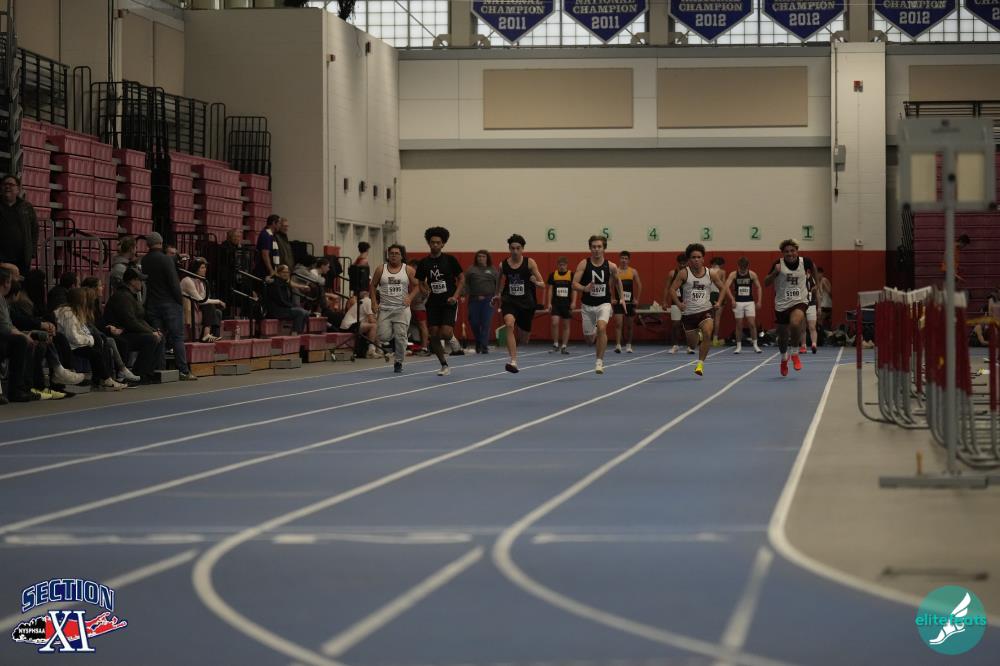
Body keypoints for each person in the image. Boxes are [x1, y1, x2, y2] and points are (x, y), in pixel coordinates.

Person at [140, 232, 196, 381]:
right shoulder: (165, 260)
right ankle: (183, 371)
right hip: (169, 303)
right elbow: (173, 283)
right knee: (177, 337)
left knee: (159, 337)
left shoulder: (144, 260)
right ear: (161, 242)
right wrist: (179, 301)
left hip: (152, 303)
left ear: (148, 244)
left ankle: (159, 370)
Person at [669, 243, 726, 377]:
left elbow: (723, 288)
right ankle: (698, 336)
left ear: (703, 259)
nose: (696, 259)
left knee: (707, 332)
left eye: (699, 257)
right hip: (689, 314)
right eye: (693, 257)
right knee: (692, 345)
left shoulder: (710, 273)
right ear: (689, 259)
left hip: (705, 310)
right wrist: (678, 303)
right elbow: (672, 289)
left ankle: (700, 364)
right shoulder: (684, 273)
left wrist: (719, 302)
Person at [414, 227, 464, 376]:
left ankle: (452, 340)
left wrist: (455, 296)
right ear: (429, 243)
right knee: (434, 334)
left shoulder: (450, 260)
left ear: (443, 244)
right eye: (432, 242)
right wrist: (424, 291)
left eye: (438, 242)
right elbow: (420, 281)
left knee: (446, 333)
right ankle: (444, 365)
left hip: (449, 301)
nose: (435, 245)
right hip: (433, 303)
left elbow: (462, 279)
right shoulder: (424, 262)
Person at [54, 288, 127, 391]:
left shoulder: (75, 312)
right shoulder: (68, 314)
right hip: (70, 346)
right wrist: (89, 340)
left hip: (76, 343)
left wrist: (90, 339)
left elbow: (82, 332)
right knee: (95, 352)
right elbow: (73, 336)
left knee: (98, 343)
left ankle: (101, 379)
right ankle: (105, 379)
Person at [493, 234, 545, 373]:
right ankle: (513, 361)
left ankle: (521, 340)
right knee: (509, 324)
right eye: (512, 248)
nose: (515, 251)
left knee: (524, 339)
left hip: (526, 303)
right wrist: (497, 294)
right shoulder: (503, 265)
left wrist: (535, 282)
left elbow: (543, 284)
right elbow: (498, 280)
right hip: (509, 300)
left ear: (522, 249)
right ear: (509, 249)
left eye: (518, 248)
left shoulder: (530, 263)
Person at [572, 235, 623, 375]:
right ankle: (593, 332)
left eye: (599, 246)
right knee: (589, 340)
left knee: (602, 327)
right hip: (587, 306)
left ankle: (599, 361)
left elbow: (617, 281)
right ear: (590, 248)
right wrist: (585, 288)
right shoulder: (584, 264)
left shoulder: (611, 266)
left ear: (604, 248)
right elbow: (574, 284)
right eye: (594, 247)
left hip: (604, 303)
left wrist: (622, 298)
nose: (596, 249)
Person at [765, 239, 815, 377]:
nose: (790, 253)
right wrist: (774, 273)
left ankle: (794, 352)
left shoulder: (805, 262)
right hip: (782, 304)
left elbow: (814, 270)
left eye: (792, 251)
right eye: (786, 251)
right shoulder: (778, 264)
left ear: (797, 251)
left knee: (795, 323)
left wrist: (816, 285)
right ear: (783, 253)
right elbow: (766, 283)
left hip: (800, 300)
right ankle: (783, 359)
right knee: (782, 337)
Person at [105, 268, 164, 384]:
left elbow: (139, 320)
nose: (142, 283)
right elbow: (130, 321)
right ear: (132, 281)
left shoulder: (130, 296)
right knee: (150, 339)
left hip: (128, 332)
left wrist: (154, 331)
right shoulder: (123, 297)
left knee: (159, 337)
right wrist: (150, 333)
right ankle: (139, 373)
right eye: (140, 280)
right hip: (120, 335)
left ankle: (147, 373)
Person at [370, 244, 418, 373]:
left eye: (397, 253)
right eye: (391, 253)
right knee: (383, 336)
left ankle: (398, 361)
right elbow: (373, 285)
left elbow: (418, 285)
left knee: (401, 337)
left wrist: (410, 297)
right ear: (388, 255)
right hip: (385, 309)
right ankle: (395, 333)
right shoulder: (381, 269)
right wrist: (374, 302)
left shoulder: (408, 269)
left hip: (402, 309)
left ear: (402, 256)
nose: (394, 256)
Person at [0, 267, 42, 403]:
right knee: (20, 342)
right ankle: (16, 390)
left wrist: (25, 335)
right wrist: (23, 336)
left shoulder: (2, 300)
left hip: (4, 336)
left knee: (26, 341)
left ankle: (24, 387)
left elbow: (9, 324)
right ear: (6, 283)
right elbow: (5, 327)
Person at [0, 174, 40, 277]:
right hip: (2, 258)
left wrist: (32, 252)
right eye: (4, 184)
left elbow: (34, 230)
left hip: (22, 258)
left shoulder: (26, 207)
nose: (7, 186)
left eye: (11, 184)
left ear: (18, 189)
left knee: (21, 284)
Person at [720, 257, 762, 354]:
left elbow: (759, 287)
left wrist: (759, 301)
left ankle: (755, 345)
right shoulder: (733, 274)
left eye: (744, 268)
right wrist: (732, 299)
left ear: (747, 266)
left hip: (749, 302)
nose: (742, 270)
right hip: (738, 302)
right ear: (738, 266)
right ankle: (738, 346)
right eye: (741, 268)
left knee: (752, 324)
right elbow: (726, 287)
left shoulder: (752, 274)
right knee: (739, 325)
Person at [182, 258, 225, 343]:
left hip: (197, 305)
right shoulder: (187, 280)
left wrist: (217, 302)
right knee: (209, 305)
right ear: (195, 269)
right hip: (188, 306)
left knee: (218, 312)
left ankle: (212, 337)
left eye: (205, 267)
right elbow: (200, 300)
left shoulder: (200, 281)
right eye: (202, 267)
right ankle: (206, 334)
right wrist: (218, 301)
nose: (205, 270)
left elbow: (204, 298)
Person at [464, 250, 499, 354]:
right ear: (476, 258)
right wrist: (463, 294)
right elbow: (465, 283)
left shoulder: (492, 270)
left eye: (483, 256)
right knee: (474, 322)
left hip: (488, 300)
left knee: (485, 323)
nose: (481, 258)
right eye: (479, 256)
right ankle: (478, 341)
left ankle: (484, 345)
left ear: (487, 258)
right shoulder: (471, 269)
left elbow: (498, 284)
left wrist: (497, 295)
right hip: (474, 299)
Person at [264, 264, 310, 334]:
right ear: (278, 273)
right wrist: (292, 306)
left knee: (306, 313)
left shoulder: (283, 282)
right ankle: (294, 334)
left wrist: (302, 287)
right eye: (284, 272)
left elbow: (291, 283)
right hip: (277, 310)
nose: (286, 274)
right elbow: (280, 300)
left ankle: (299, 333)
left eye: (287, 272)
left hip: (284, 308)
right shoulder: (275, 283)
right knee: (300, 312)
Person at [613, 250, 642, 354]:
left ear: (629, 260)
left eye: (626, 259)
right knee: (618, 324)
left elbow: (639, 285)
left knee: (629, 325)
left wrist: (637, 299)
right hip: (619, 302)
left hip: (630, 302)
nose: (624, 260)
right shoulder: (615, 271)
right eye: (622, 258)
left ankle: (628, 345)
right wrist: (612, 298)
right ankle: (618, 345)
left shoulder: (633, 271)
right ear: (619, 259)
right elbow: (609, 285)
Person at [664, 254, 691, 354]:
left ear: (687, 263)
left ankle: (690, 346)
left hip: (688, 302)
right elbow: (667, 288)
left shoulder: (690, 273)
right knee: (675, 324)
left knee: (688, 325)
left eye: (684, 263)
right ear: (678, 263)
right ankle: (675, 345)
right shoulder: (672, 273)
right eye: (681, 263)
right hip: (675, 302)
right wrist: (664, 301)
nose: (682, 265)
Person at [546, 256, 574, 355]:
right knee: (554, 323)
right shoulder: (553, 275)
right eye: (560, 265)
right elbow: (550, 290)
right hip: (556, 303)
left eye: (564, 265)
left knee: (566, 325)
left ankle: (564, 346)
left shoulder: (571, 275)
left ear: (567, 265)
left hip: (567, 304)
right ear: (557, 265)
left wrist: (573, 302)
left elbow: (574, 290)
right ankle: (555, 344)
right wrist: (549, 303)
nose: (562, 267)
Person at [408, 258, 430, 355]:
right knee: (408, 325)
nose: (410, 269)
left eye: (412, 267)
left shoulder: (422, 278)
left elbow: (427, 292)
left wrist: (422, 300)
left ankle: (424, 347)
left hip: (419, 306)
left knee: (422, 325)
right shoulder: (408, 277)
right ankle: (414, 345)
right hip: (409, 305)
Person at [254, 214, 281, 280]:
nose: (280, 225)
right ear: (274, 223)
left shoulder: (272, 235)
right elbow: (265, 254)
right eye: (279, 223)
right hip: (264, 270)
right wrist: (271, 270)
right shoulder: (266, 235)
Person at [709, 257, 726, 346]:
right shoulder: (722, 272)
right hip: (718, 294)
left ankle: (707, 338)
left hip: (709, 295)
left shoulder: (708, 271)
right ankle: (715, 339)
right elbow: (723, 285)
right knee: (717, 318)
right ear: (721, 264)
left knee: (709, 318)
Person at [800, 272, 820, 354]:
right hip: (801, 305)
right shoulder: (798, 277)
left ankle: (814, 345)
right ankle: (803, 346)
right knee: (802, 328)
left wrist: (819, 307)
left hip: (811, 305)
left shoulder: (812, 278)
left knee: (812, 327)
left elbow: (817, 293)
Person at [816, 266, 833, 333]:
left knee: (819, 320)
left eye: (818, 273)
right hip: (822, 305)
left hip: (826, 305)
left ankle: (821, 334)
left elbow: (830, 292)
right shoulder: (818, 282)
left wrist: (824, 286)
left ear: (821, 273)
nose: (817, 275)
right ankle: (825, 333)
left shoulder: (824, 280)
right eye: (816, 273)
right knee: (822, 320)